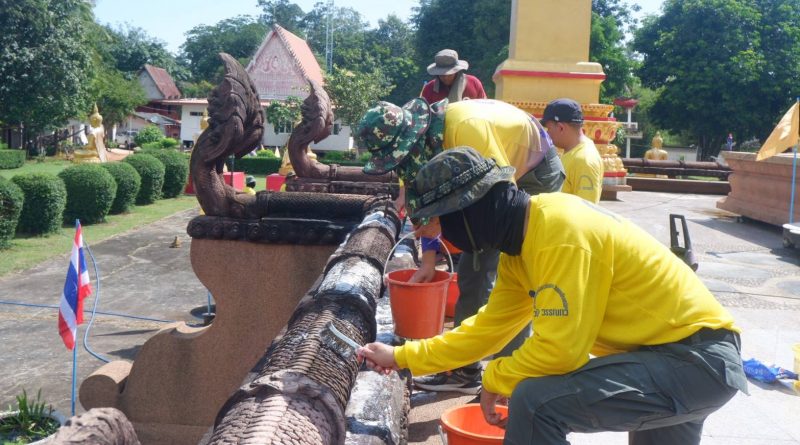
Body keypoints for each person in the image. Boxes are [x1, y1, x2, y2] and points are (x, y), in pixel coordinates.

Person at [358, 147, 748, 445]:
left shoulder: (561, 235)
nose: (443, 240)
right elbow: (487, 331)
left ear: (471, 211)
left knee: (535, 400)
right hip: (674, 361)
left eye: (442, 225)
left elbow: (560, 350)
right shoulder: (523, 247)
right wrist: (401, 356)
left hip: (696, 362)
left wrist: (495, 377)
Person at [355, 97, 564, 394]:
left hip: (532, 174)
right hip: (500, 182)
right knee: (472, 272)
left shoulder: (467, 130)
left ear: (411, 138)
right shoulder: (417, 144)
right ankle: (466, 371)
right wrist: (428, 258)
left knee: (503, 272)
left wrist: (446, 229)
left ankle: (512, 382)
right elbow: (423, 201)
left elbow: (498, 203)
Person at [541, 98, 604, 203]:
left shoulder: (584, 161)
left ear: (561, 128)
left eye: (549, 128)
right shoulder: (572, 152)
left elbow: (586, 210)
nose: (548, 134)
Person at [420, 49, 486, 103]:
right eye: (442, 74)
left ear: (457, 71)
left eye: (449, 74)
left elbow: (484, 107)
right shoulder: (429, 88)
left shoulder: (473, 83)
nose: (445, 77)